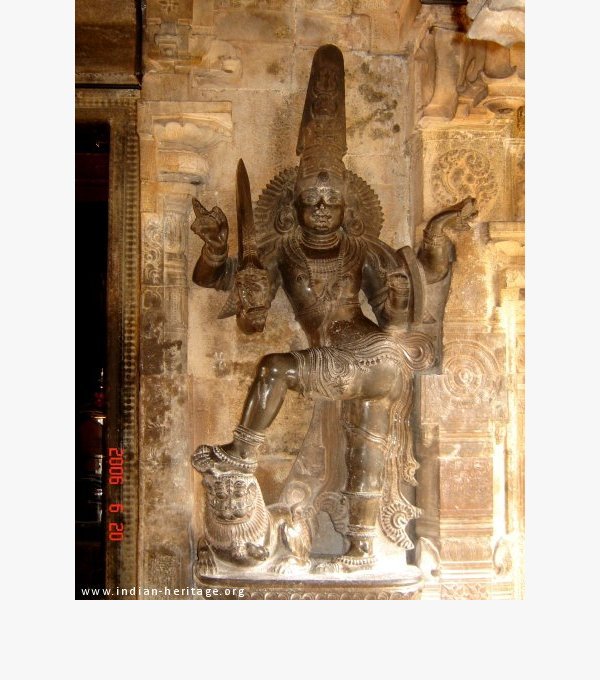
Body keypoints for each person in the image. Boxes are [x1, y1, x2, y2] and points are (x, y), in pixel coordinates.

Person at [190, 44, 475, 571]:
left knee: (276, 369)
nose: (321, 209)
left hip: (372, 353)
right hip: (361, 366)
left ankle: (244, 452)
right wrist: (216, 250)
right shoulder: (280, 251)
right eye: (311, 201)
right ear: (293, 207)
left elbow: (395, 318)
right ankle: (363, 550)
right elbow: (228, 290)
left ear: (348, 208)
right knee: (366, 443)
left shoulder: (365, 250)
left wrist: (399, 298)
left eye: (332, 201)